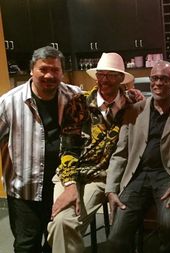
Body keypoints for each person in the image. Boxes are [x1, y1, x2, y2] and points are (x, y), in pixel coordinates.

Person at [105, 60, 170, 252]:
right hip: (136, 177)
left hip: (169, 176)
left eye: (164, 79)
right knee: (116, 237)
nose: (158, 83)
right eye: (155, 78)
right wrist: (111, 190)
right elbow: (120, 154)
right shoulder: (134, 110)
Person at [47, 52, 142, 253]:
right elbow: (68, 147)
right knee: (61, 223)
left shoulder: (132, 106)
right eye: (101, 74)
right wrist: (70, 185)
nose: (104, 80)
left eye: (111, 75)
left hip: (100, 177)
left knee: (63, 225)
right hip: (69, 174)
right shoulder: (79, 102)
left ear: (120, 79)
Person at [0, 46, 81, 252]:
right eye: (43, 69)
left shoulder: (75, 97)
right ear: (31, 70)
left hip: (61, 185)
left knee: (56, 240)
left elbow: (104, 106)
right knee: (27, 245)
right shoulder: (8, 103)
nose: (49, 75)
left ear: (62, 72)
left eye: (55, 70)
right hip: (25, 188)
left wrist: (130, 94)